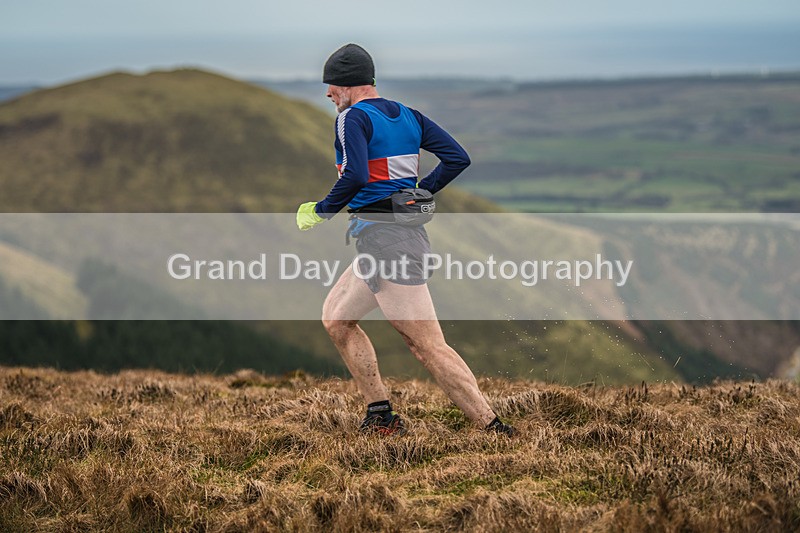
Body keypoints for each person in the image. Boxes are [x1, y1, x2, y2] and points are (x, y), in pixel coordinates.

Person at [296, 43, 516, 437]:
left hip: (389, 243)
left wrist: (321, 210)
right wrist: (419, 193)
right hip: (384, 239)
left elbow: (357, 176)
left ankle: (494, 427)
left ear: (347, 86)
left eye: (331, 85)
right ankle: (380, 414)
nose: (328, 93)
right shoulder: (409, 116)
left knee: (427, 346)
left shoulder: (351, 119)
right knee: (336, 319)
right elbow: (457, 158)